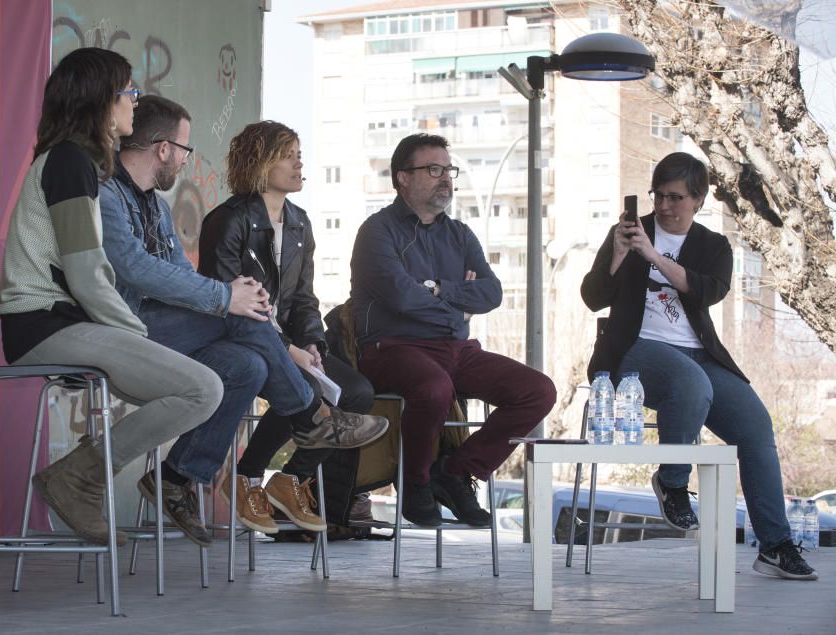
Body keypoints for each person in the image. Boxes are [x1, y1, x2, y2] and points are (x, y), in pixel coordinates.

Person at [101, 104, 387, 541]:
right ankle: (310, 420)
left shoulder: (158, 206)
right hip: (130, 327)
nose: (186, 158)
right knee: (248, 315)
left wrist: (311, 343)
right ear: (162, 149)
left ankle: (175, 477)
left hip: (201, 327)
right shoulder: (117, 196)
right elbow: (140, 271)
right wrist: (231, 302)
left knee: (250, 366)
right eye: (183, 149)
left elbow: (295, 296)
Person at [0, 48, 222, 547]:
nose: (135, 104)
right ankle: (77, 476)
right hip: (46, 325)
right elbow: (87, 273)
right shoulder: (71, 163)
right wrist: (136, 334)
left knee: (199, 388)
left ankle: (80, 473)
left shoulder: (74, 162)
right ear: (101, 100)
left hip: (63, 325)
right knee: (202, 390)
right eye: (128, 92)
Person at [581, 151, 817, 580]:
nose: (664, 206)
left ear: (698, 201)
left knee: (755, 427)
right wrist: (617, 254)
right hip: (633, 352)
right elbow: (593, 297)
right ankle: (673, 482)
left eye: (675, 197)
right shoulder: (627, 233)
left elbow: (707, 292)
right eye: (658, 196)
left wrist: (653, 256)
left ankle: (775, 545)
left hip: (699, 354)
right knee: (690, 383)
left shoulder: (713, 246)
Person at [349, 133, 557, 527]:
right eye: (433, 169)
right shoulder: (376, 231)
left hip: (458, 351)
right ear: (402, 178)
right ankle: (415, 484)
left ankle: (457, 472)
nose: (445, 178)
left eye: (448, 170)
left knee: (538, 391)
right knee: (434, 386)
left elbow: (491, 293)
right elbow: (402, 298)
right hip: (392, 347)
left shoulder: (460, 234)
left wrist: (440, 289)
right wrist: (457, 311)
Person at [200, 120, 386, 534]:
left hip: (287, 343)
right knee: (303, 381)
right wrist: (288, 349)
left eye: (299, 153)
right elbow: (228, 305)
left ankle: (287, 479)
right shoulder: (227, 221)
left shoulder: (299, 222)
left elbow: (303, 298)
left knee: (356, 391)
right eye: (289, 154)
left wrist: (312, 342)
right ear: (260, 163)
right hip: (239, 341)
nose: (300, 163)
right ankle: (248, 477)